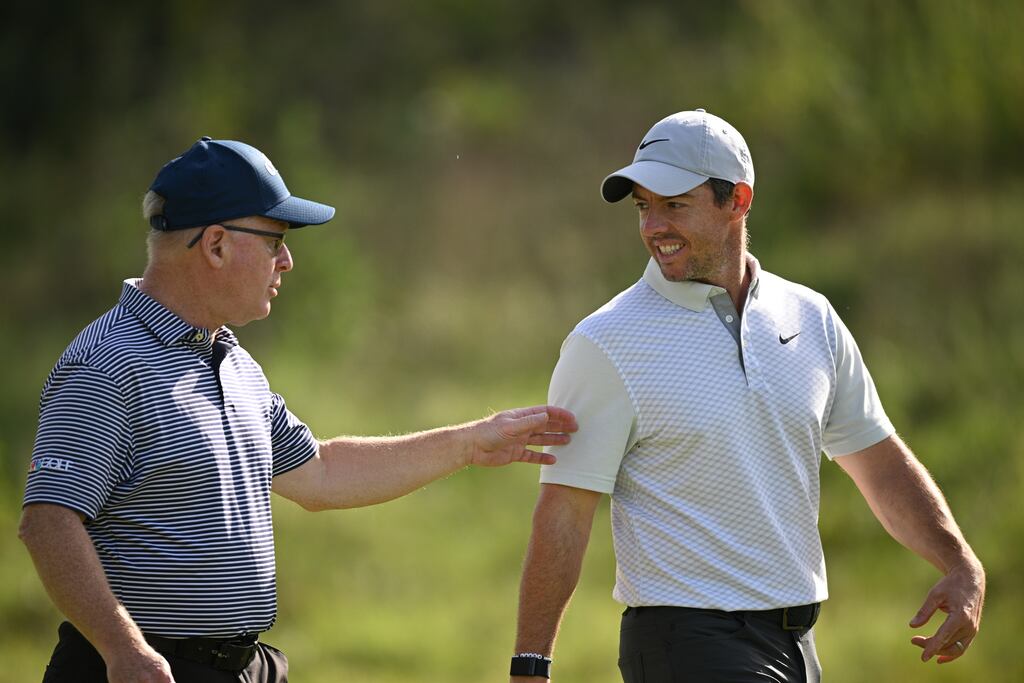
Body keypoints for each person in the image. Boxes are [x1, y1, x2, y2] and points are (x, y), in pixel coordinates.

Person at [18, 136, 578, 683]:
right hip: (141, 669)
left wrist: (470, 443)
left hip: (242, 667)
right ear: (215, 245)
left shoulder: (231, 360)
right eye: (273, 240)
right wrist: (124, 649)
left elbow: (319, 473)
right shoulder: (106, 365)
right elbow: (48, 522)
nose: (286, 261)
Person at [509, 110, 985, 682]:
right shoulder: (605, 342)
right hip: (686, 644)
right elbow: (563, 512)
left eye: (674, 205)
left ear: (737, 200)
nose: (652, 226)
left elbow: (877, 461)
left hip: (797, 643)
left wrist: (959, 563)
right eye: (643, 206)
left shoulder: (811, 318)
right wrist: (530, 665)